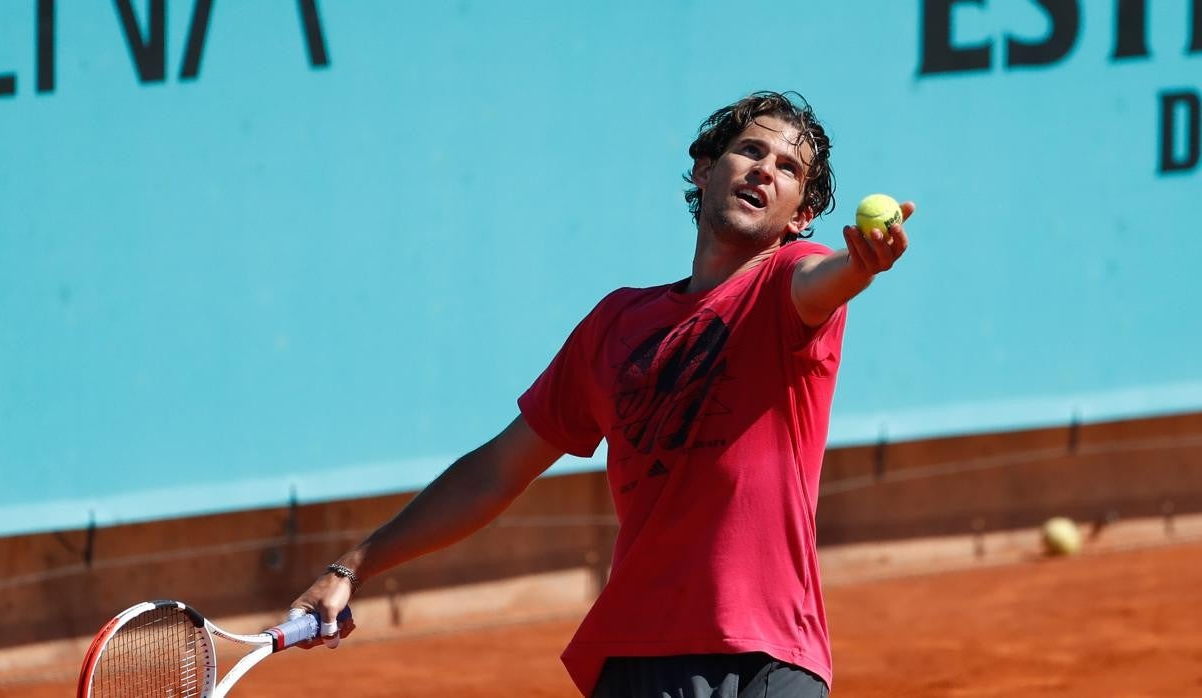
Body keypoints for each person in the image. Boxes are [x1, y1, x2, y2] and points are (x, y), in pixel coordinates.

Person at [287, 90, 912, 698]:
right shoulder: (616, 325)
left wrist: (860, 267)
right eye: (751, 151)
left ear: (800, 216)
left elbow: (824, 278)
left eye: (788, 169)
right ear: (704, 168)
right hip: (636, 659)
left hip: (767, 660)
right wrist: (353, 566)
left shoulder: (788, 283)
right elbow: (497, 470)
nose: (764, 172)